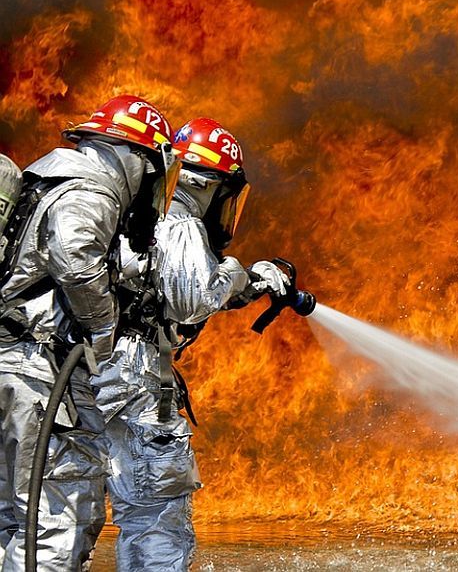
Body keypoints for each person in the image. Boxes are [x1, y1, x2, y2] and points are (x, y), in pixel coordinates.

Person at [92, 117, 288, 571]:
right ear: (210, 185)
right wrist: (241, 270)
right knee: (155, 514)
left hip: (91, 372)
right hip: (135, 380)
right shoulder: (179, 221)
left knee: (70, 510)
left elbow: (164, 286)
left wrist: (252, 284)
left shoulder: (132, 216)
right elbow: (192, 299)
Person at [0, 95, 181, 571]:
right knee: (59, 517)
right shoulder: (90, 190)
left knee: (11, 518)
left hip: (10, 364)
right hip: (37, 373)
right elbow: (76, 260)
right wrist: (103, 333)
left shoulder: (46, 180)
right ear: (133, 158)